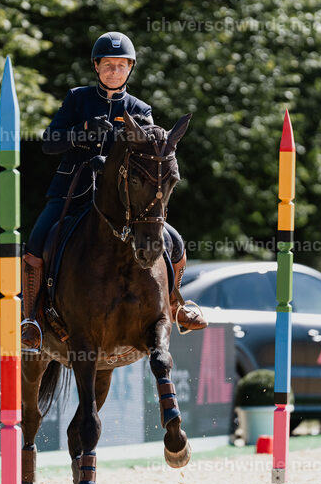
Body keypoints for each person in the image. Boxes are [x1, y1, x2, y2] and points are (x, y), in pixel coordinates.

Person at [21, 32, 207, 348]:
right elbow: (49, 143)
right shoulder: (77, 99)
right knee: (37, 241)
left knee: (173, 239)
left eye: (121, 66)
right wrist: (81, 132)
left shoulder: (140, 109)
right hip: (73, 191)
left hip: (123, 202)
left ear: (130, 69)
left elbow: (152, 160)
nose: (115, 71)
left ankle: (176, 304)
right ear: (97, 67)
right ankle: (32, 319)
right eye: (109, 65)